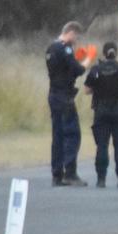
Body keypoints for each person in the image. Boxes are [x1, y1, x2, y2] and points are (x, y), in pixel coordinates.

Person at [46, 21, 93, 187]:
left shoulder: (51, 48)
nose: (76, 41)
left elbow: (63, 68)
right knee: (72, 134)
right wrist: (87, 60)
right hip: (64, 97)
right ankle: (70, 173)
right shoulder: (64, 48)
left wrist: (75, 58)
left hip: (53, 94)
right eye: (76, 37)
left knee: (57, 135)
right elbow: (77, 70)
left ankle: (57, 174)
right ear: (71, 32)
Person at [83, 41, 118, 189]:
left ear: (104, 54)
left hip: (101, 110)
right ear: (116, 53)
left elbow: (86, 90)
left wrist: (99, 90)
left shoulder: (96, 70)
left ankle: (101, 180)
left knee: (102, 146)